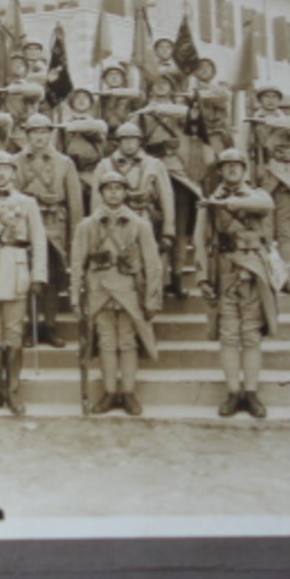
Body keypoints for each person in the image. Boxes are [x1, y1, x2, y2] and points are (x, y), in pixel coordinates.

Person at [70, 168, 162, 415]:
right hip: (98, 291)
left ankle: (129, 393)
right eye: (108, 189)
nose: (113, 193)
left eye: (118, 188)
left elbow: (152, 264)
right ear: (101, 193)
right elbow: (78, 262)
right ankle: (110, 393)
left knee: (128, 342)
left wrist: (152, 297)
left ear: (125, 192)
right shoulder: (87, 225)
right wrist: (74, 298)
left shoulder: (139, 225)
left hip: (129, 291)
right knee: (107, 342)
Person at [197, 149, 280, 418]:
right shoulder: (210, 202)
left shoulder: (257, 196)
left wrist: (232, 205)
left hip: (254, 274)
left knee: (251, 336)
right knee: (229, 336)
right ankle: (234, 393)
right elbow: (200, 241)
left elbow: (266, 206)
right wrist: (202, 277)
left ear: (244, 169)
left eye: (237, 165)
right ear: (219, 171)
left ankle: (252, 393)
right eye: (226, 166)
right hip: (224, 274)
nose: (232, 170)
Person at [0, 151, 48, 414]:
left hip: (17, 271)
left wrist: (38, 275)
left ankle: (12, 392)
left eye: (6, 169)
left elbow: (38, 241)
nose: (1, 174)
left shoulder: (27, 203)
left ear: (14, 173)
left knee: (13, 334)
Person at [15, 112, 81, 347]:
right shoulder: (17, 162)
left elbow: (74, 203)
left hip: (55, 224)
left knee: (52, 277)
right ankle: (31, 325)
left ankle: (50, 326)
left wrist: (76, 237)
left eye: (44, 132)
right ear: (27, 135)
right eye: (34, 132)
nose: (39, 137)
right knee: (29, 275)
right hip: (26, 223)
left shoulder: (64, 162)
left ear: (50, 134)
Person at [137, 72, 203, 297]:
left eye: (165, 84)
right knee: (156, 225)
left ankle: (177, 277)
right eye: (157, 83)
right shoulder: (141, 114)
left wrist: (157, 109)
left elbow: (189, 115)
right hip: (151, 168)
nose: (161, 87)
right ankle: (158, 278)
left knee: (180, 227)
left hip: (176, 169)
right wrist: (145, 111)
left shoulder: (179, 111)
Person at [92, 122, 175, 284]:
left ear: (140, 142)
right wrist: (97, 228)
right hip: (115, 220)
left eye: (133, 140)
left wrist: (168, 231)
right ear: (118, 142)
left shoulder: (154, 164)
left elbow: (166, 198)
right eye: (124, 140)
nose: (129, 144)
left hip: (146, 218)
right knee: (117, 259)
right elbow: (96, 199)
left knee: (149, 260)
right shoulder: (105, 165)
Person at [246, 83, 290, 250]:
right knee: (264, 226)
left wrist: (269, 121)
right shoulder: (252, 122)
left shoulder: (288, 121)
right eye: (266, 97)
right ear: (260, 100)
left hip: (285, 178)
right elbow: (246, 148)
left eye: (274, 97)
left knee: (285, 227)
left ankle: (286, 272)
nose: (270, 101)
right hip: (263, 176)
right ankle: (269, 270)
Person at [60, 87, 108, 215]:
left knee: (96, 208)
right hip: (73, 171)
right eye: (78, 98)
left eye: (85, 98)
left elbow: (97, 131)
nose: (81, 101)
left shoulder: (97, 123)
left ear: (91, 103)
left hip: (92, 171)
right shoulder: (63, 125)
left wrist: (73, 126)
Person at [98, 63, 143, 133]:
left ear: (123, 79)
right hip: (107, 135)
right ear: (105, 80)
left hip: (127, 134)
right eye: (110, 75)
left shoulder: (131, 96)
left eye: (117, 75)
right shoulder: (101, 99)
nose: (114, 77)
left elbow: (140, 97)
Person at [2, 50, 45, 122]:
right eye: (13, 64)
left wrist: (14, 89)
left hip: (26, 124)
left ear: (26, 69)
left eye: (21, 64)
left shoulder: (31, 85)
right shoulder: (2, 84)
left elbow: (39, 92)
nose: (17, 66)